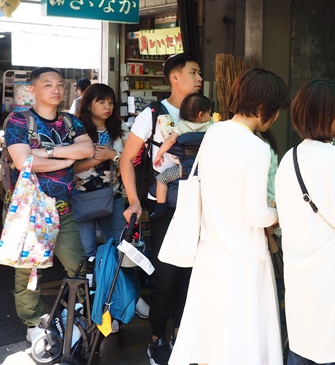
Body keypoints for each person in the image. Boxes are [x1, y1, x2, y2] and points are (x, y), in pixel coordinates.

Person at [169, 68, 289, 365]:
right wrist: (280, 212)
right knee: (244, 343)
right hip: (244, 260)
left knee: (214, 341)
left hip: (211, 253)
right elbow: (256, 214)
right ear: (264, 108)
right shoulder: (256, 147)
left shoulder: (216, 131)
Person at [275, 79, 335, 365]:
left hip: (298, 275)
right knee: (333, 351)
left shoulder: (288, 158)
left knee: (302, 349)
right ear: (326, 113)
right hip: (333, 279)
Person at [120, 53, 202, 365]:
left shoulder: (206, 113)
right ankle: (158, 339)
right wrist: (134, 201)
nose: (198, 78)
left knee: (192, 275)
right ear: (174, 78)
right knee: (166, 276)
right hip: (165, 207)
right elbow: (126, 159)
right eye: (193, 72)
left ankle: (183, 334)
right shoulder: (153, 114)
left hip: (198, 206)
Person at [3, 67, 94, 343]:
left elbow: (87, 150)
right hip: (29, 212)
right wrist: (66, 161)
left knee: (78, 266)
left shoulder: (70, 122)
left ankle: (78, 312)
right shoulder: (18, 120)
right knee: (28, 270)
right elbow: (24, 162)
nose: (56, 89)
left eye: (60, 84)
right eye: (48, 84)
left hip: (62, 209)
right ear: (33, 89)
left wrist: (49, 153)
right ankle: (33, 322)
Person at [72, 83, 130, 258]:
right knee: (86, 250)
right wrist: (96, 160)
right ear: (89, 104)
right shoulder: (75, 128)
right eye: (102, 102)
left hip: (114, 196)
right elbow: (69, 168)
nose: (108, 107)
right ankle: (90, 283)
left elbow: (131, 160)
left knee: (119, 247)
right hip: (82, 197)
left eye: (111, 103)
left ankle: (112, 284)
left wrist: (113, 155)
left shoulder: (119, 127)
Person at [151, 94, 214, 219]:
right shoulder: (211, 127)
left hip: (184, 170)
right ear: (201, 114)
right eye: (210, 113)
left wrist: (159, 154)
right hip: (207, 170)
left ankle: (161, 206)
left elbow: (170, 141)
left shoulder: (182, 126)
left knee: (161, 179)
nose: (210, 116)